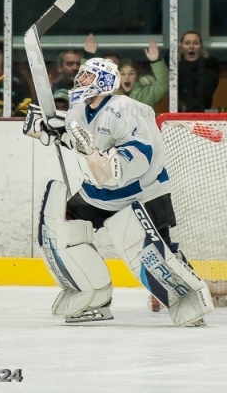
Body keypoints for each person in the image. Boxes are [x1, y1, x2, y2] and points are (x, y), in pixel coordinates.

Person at [22, 57, 212, 326]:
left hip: (143, 192)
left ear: (103, 81)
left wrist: (99, 157)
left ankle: (191, 300)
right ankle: (95, 297)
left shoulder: (129, 109)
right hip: (98, 193)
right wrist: (53, 129)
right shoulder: (78, 110)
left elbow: (138, 157)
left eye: (87, 76)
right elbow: (82, 141)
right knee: (60, 231)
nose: (80, 80)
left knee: (159, 253)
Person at [114, 39, 168, 108]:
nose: (127, 77)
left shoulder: (147, 95)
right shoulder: (110, 96)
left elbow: (163, 84)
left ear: (137, 76)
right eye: (123, 74)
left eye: (131, 74)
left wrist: (155, 61)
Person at [177, 31, 220, 112]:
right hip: (179, 113)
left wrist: (204, 57)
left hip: (203, 113)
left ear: (201, 47)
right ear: (181, 47)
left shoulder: (209, 67)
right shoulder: (174, 68)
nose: (191, 46)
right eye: (187, 43)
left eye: (196, 43)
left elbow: (208, 89)